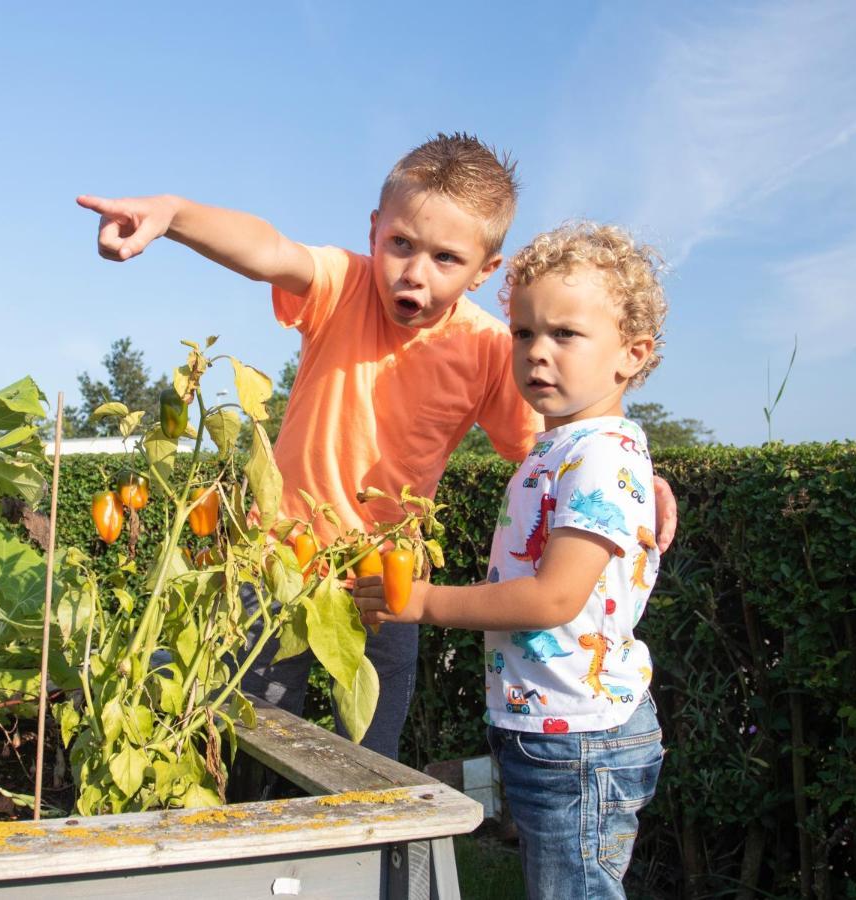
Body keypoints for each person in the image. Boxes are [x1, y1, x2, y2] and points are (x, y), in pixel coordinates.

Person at [77, 134, 677, 760]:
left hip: (384, 585)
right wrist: (173, 214)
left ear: (485, 270)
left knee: (366, 755)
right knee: (237, 737)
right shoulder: (346, 287)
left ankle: (353, 856)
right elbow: (268, 249)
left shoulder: (493, 350)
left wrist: (640, 481)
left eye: (446, 258)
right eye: (400, 245)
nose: (414, 272)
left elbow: (564, 446)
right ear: (374, 233)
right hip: (271, 563)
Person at [355, 222, 668, 897]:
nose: (536, 353)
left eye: (565, 335)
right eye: (523, 333)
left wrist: (427, 603)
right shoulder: (559, 447)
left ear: (630, 355)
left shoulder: (600, 456)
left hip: (580, 737)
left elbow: (554, 598)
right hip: (549, 725)